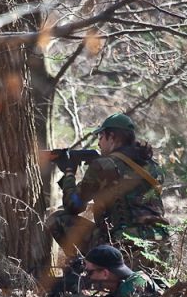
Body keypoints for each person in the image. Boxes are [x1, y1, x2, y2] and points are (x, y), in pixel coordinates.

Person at [44, 112, 170, 274]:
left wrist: (69, 173)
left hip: (123, 249)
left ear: (112, 137)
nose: (98, 142)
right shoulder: (154, 167)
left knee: (57, 220)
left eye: (101, 136)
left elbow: (74, 205)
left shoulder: (104, 165)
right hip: (160, 247)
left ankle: (84, 271)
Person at [72, 245, 164, 297]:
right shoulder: (119, 289)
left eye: (89, 272)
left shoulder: (136, 281)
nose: (89, 277)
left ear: (105, 273)